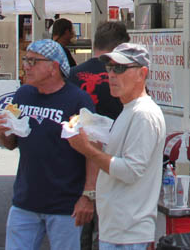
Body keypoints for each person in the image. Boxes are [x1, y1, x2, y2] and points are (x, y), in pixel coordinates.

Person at [0, 39, 97, 250]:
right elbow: (11, 142)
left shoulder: (78, 100)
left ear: (53, 67)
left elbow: (93, 151)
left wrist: (88, 196)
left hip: (64, 205)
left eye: (33, 61)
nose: (26, 66)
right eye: (26, 60)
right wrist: (0, 131)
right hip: (25, 201)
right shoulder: (22, 94)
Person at [67, 43, 166, 250]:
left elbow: (130, 171)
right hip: (119, 230)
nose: (111, 75)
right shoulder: (130, 110)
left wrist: (87, 149)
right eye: (109, 68)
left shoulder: (143, 114)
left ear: (142, 73)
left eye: (120, 68)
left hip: (128, 233)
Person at [68, 21, 130, 250]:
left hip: (79, 162)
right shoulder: (127, 77)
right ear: (122, 46)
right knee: (112, 231)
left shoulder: (72, 75)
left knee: (80, 226)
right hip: (117, 162)